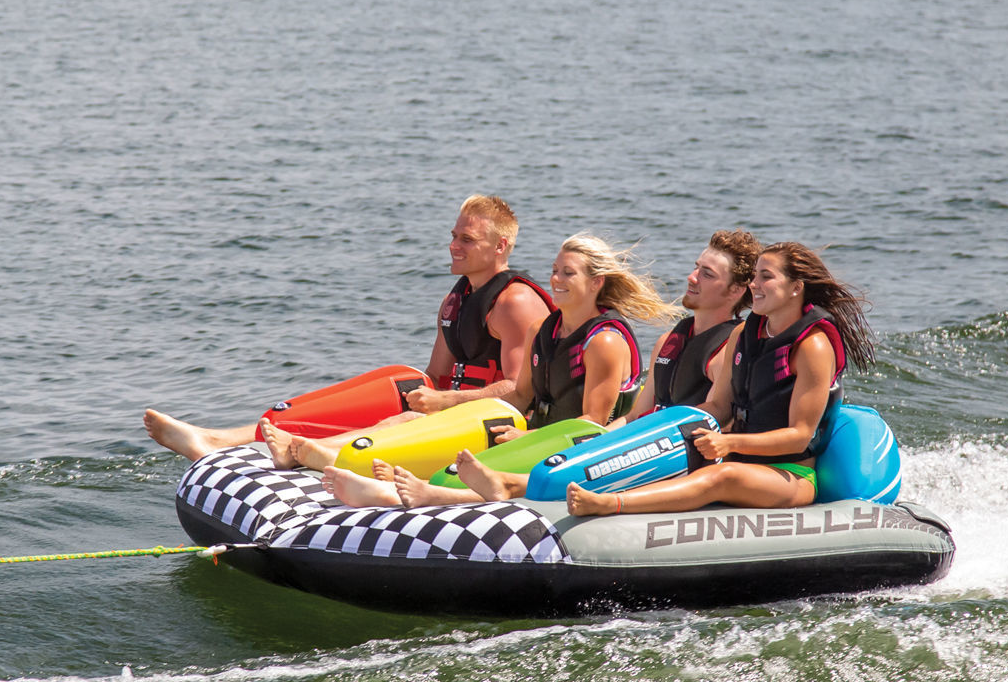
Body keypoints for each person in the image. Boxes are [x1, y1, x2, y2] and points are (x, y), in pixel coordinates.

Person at [143, 195, 552, 463]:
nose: (453, 245)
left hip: (506, 421)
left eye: (467, 239)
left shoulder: (515, 302)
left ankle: (312, 451)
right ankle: (222, 438)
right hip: (461, 404)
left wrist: (441, 404)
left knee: (400, 422)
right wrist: (421, 396)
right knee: (400, 380)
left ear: (500, 247)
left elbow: (519, 393)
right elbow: (437, 375)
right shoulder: (457, 298)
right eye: (453, 236)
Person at [325, 234, 676, 509]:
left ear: (597, 282)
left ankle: (413, 493)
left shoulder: (604, 342)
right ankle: (394, 471)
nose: (556, 279)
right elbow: (520, 394)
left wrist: (528, 440)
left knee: (468, 471)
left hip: (581, 450)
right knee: (449, 427)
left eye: (568, 273)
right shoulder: (542, 330)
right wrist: (455, 405)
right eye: (555, 269)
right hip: (537, 434)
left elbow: (590, 424)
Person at [565, 242, 876, 517]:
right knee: (672, 459)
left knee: (722, 477)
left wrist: (728, 442)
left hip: (788, 473)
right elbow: (719, 405)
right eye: (755, 276)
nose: (755, 284)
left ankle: (610, 505)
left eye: (766, 277)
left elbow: (799, 434)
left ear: (796, 287)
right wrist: (663, 435)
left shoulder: (813, 346)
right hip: (737, 455)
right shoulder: (744, 333)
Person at [618, 228, 761, 424]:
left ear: (735, 290)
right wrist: (597, 440)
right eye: (697, 268)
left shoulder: (726, 353)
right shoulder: (666, 342)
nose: (692, 277)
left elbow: (717, 423)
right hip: (650, 439)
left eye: (707, 274)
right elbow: (634, 416)